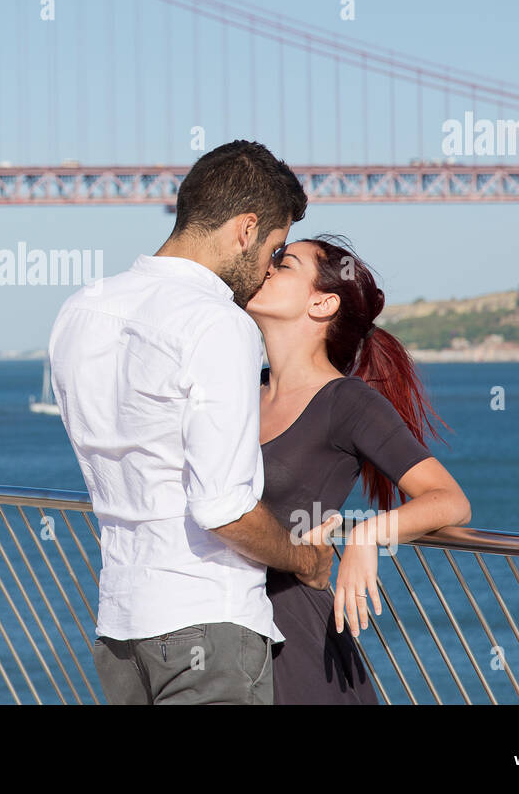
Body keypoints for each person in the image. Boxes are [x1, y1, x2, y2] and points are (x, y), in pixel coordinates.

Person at [48, 140, 341, 705]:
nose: (263, 274)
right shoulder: (217, 324)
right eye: (274, 249)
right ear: (246, 229)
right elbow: (223, 508)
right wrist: (307, 560)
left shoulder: (80, 310)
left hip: (120, 629)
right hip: (208, 624)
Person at [245, 234, 472, 703]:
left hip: (297, 644)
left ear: (323, 303)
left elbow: (449, 500)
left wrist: (367, 535)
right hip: (222, 629)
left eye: (283, 264)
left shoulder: (347, 402)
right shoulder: (241, 388)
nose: (265, 268)